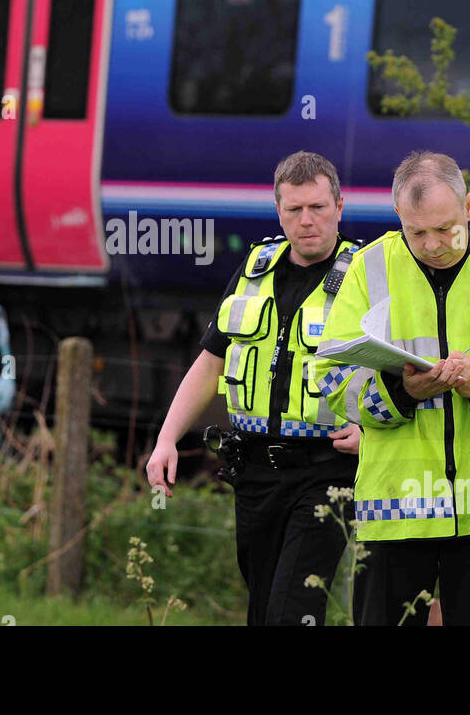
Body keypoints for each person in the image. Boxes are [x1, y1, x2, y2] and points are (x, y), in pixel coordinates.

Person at [311, 151, 470, 625]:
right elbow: (329, 382)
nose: (431, 245)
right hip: (396, 514)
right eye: (416, 232)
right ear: (398, 219)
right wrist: (403, 393)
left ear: (469, 207)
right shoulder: (367, 268)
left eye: (445, 228)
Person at [145, 151, 365, 626]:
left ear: (340, 207)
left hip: (326, 473)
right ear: (278, 210)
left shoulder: (366, 277)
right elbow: (209, 364)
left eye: (318, 208)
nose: (306, 221)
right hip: (254, 474)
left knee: (292, 612)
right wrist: (166, 441)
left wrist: (372, 430)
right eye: (294, 210)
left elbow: (400, 375)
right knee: (264, 609)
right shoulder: (254, 269)